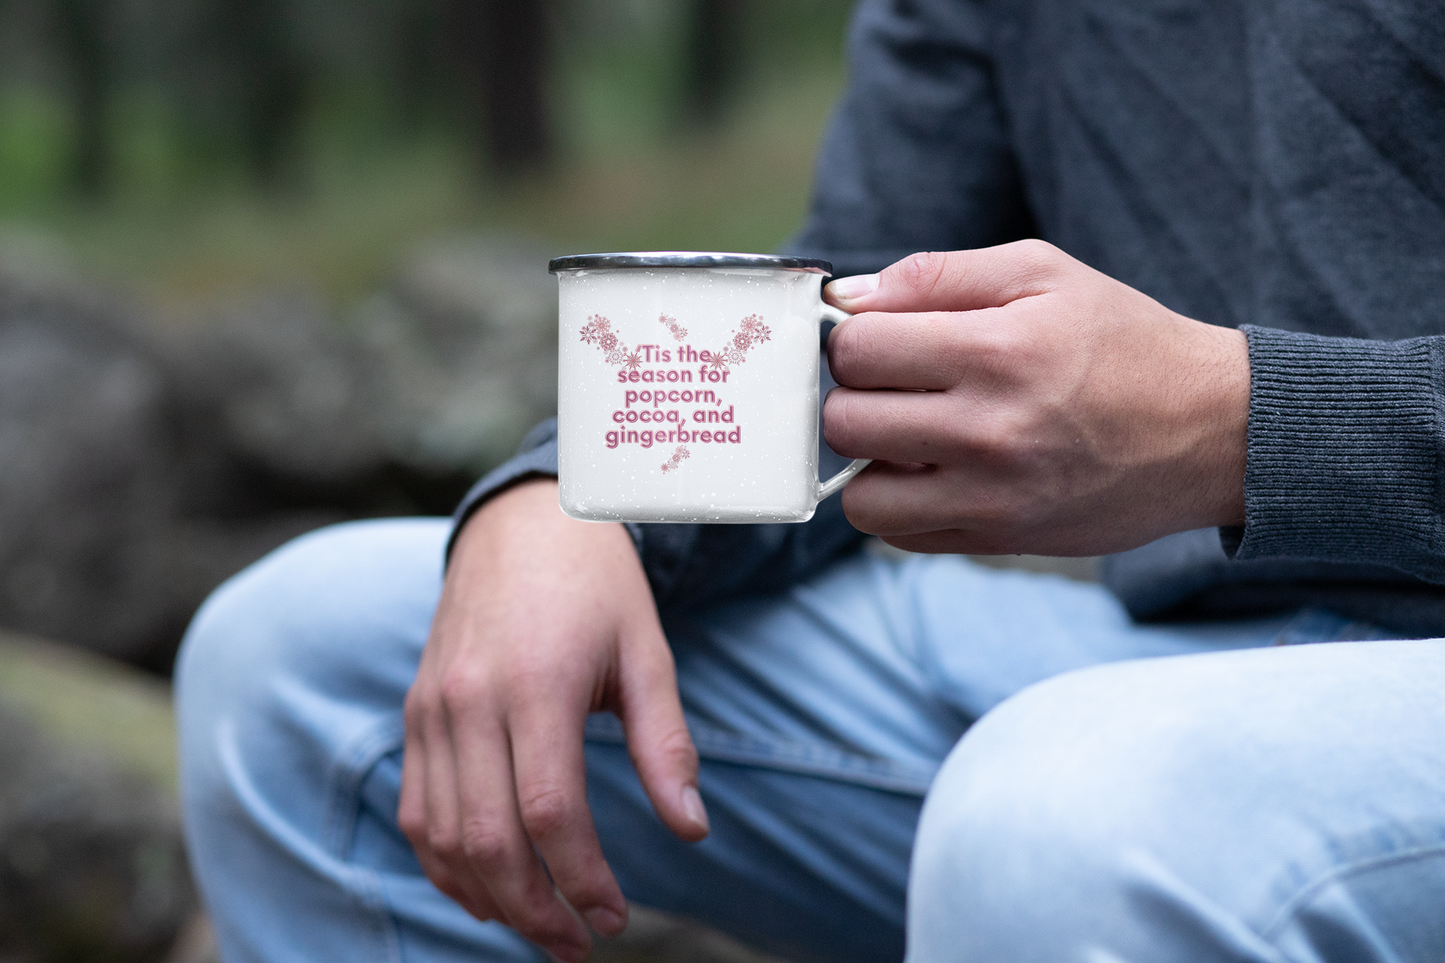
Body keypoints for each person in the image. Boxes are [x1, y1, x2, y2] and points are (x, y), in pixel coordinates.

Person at [174, 0, 1445, 960]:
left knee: (1064, 815)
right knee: (306, 660)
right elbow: (850, 297)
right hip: (1165, 658)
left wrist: (1244, 424)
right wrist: (567, 494)